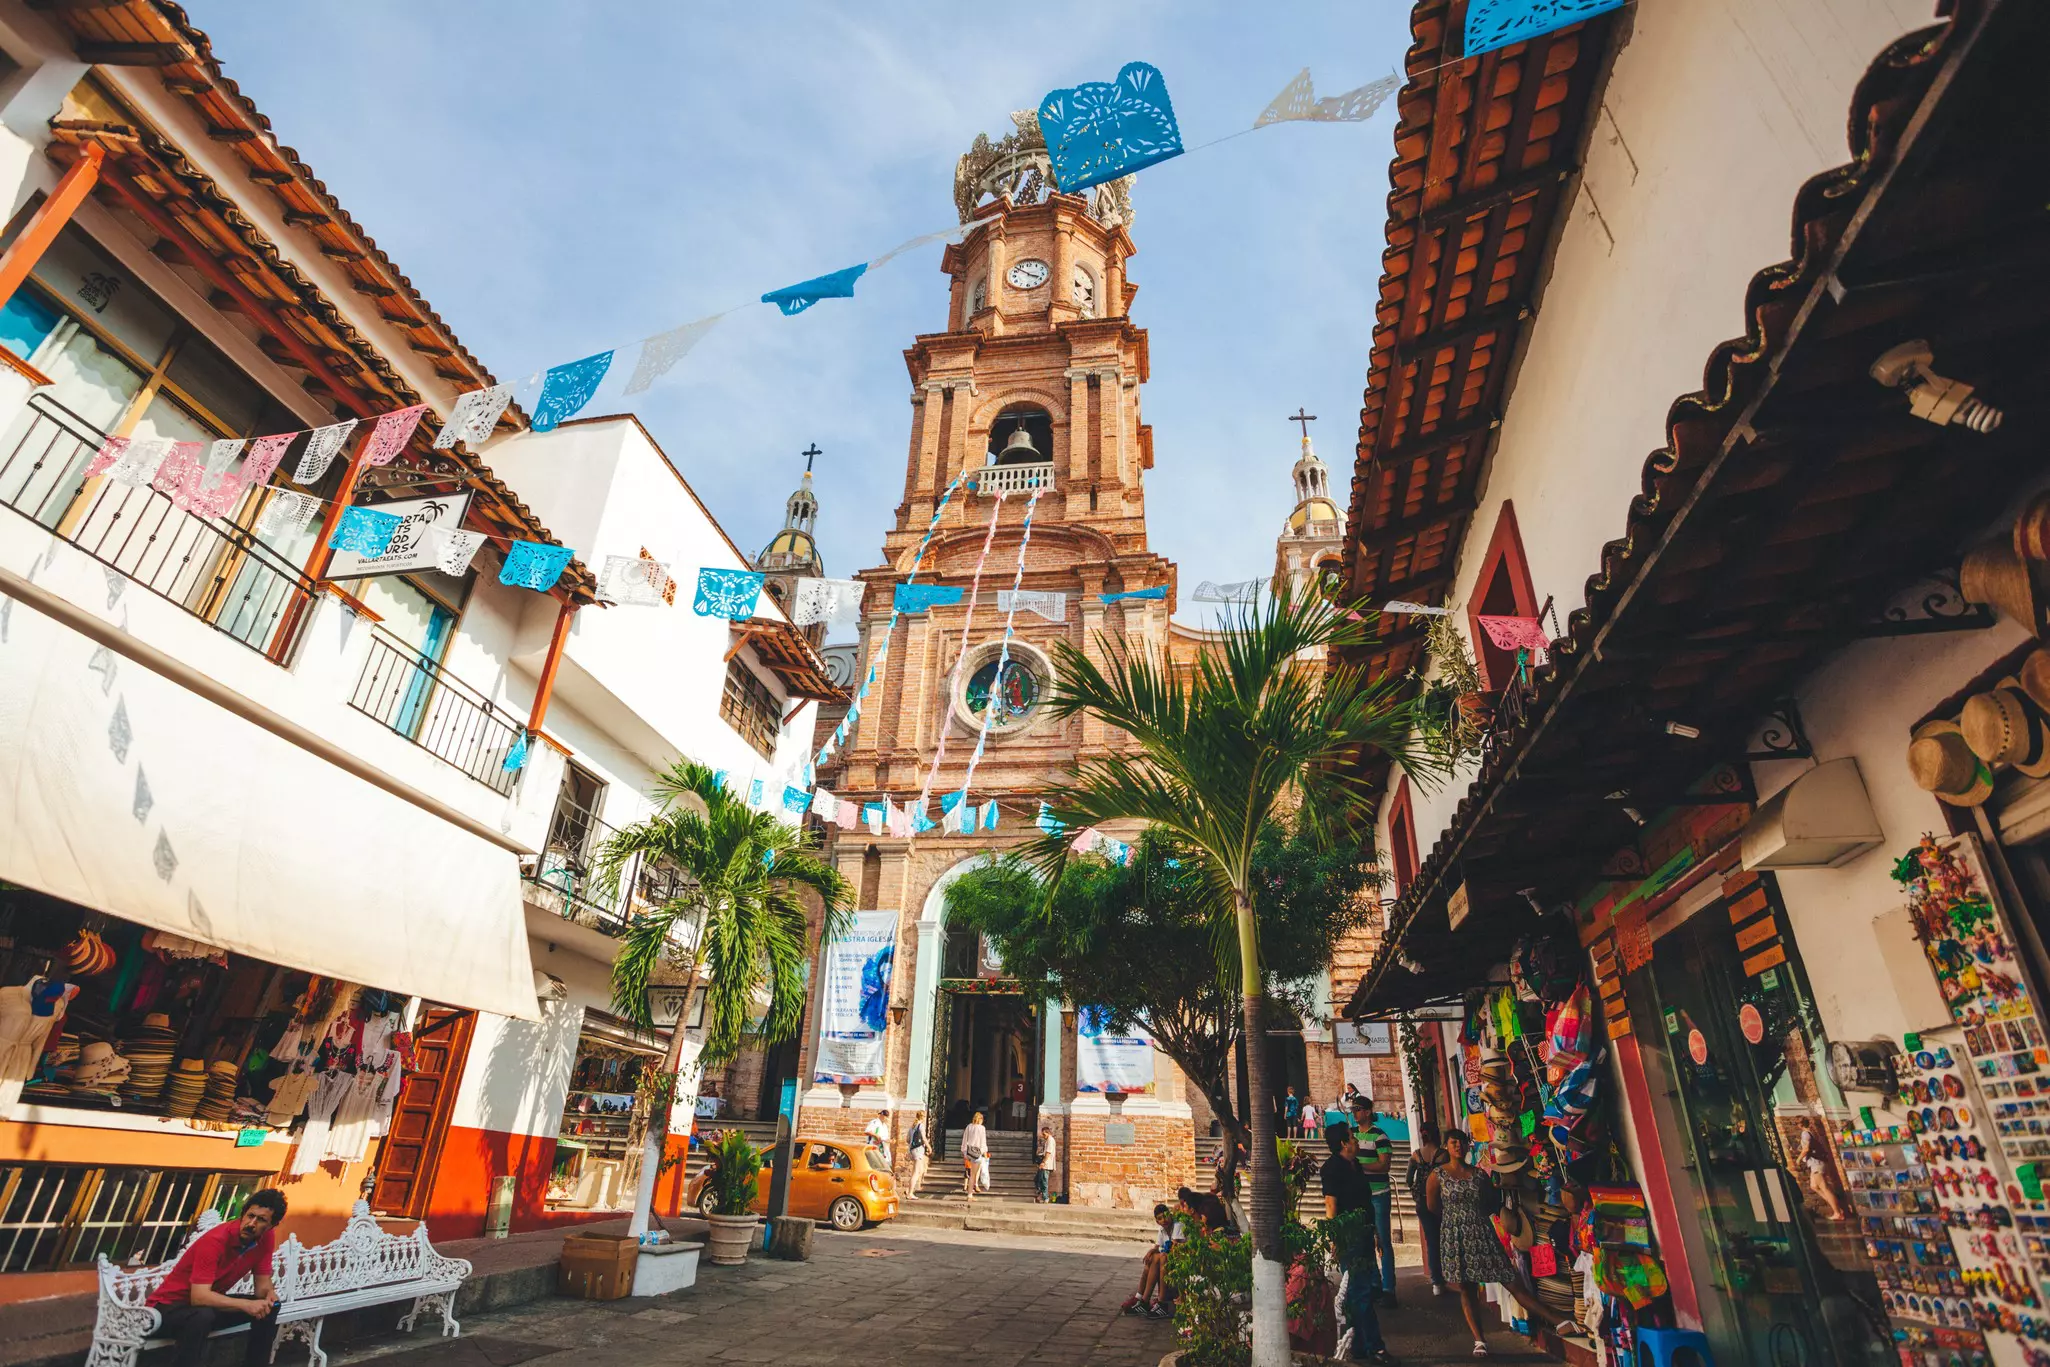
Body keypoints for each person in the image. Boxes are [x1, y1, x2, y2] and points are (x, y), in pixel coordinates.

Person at [1427, 1129, 1570, 1357]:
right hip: (1454, 1236)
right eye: (1453, 1143)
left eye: (1461, 1142)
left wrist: (1474, 1217)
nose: (1458, 1147)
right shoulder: (1437, 1175)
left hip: (1482, 1233)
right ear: (1446, 1146)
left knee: (1510, 1279)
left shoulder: (1479, 1175)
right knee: (1467, 1288)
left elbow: (1491, 1202)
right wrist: (1454, 1221)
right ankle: (1479, 1340)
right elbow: (1433, 1206)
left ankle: (1558, 1320)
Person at [147, 1189, 286, 1367]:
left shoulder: (265, 1238)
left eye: (261, 1220)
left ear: (271, 1226)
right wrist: (247, 1305)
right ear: (243, 1214)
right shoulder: (215, 1240)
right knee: (202, 1315)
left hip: (204, 1309)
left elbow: (262, 1285)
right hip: (165, 1310)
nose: (251, 1224)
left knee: (270, 1308)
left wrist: (269, 1295)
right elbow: (199, 1297)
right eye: (250, 1215)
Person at [1321, 1124, 1393, 1365]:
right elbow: (1331, 1205)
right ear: (1343, 1143)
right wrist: (1334, 1239)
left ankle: (1359, 1345)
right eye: (1352, 1137)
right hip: (1348, 1236)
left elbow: (1365, 1201)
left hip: (1364, 1232)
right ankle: (1375, 1347)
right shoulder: (1332, 1169)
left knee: (1357, 1293)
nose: (1356, 1140)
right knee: (1361, 1291)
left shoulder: (1356, 1166)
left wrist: (1375, 1232)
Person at [1349, 1096, 1399, 1306]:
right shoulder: (1351, 1135)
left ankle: (1388, 1288)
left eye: (1358, 1109)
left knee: (1383, 1241)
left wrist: (1361, 1168)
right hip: (1359, 1195)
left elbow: (1384, 1165)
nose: (1355, 1113)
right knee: (1365, 1241)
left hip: (1378, 1194)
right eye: (1353, 1109)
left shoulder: (1380, 1136)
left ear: (1368, 1111)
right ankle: (1374, 1284)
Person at [1406, 1122, 1450, 1296]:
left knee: (1431, 1241)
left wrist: (1416, 1192)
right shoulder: (1443, 1155)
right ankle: (1451, 1274)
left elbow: (1408, 1179)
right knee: (1447, 1237)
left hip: (1423, 1203)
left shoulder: (1416, 1155)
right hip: (1442, 1201)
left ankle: (1437, 1282)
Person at [1123, 1202, 1181, 1318]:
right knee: (1152, 1258)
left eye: (1165, 1216)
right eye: (1160, 1219)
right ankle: (1142, 1299)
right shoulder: (1162, 1230)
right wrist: (1151, 1251)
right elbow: (1158, 1246)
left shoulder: (1177, 1225)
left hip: (1178, 1258)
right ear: (1157, 1221)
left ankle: (1160, 1302)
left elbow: (1172, 1246)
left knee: (1161, 1257)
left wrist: (1156, 1251)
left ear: (1169, 1215)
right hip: (1168, 1257)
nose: (1164, 1220)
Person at [961, 1110, 989, 1202]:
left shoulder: (969, 1127)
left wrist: (964, 1152)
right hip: (977, 1153)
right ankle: (970, 1195)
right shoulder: (982, 1128)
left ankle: (970, 1193)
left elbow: (965, 1139)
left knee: (971, 1173)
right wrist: (984, 1152)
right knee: (973, 1174)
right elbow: (983, 1142)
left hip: (969, 1152)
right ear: (980, 1119)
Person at [905, 1109, 930, 1199]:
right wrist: (929, 1147)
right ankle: (910, 1193)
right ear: (923, 1117)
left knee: (918, 1171)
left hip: (912, 1149)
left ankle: (909, 1190)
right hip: (918, 1150)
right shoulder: (921, 1126)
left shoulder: (912, 1126)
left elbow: (907, 1139)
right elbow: (923, 1138)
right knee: (916, 1172)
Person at [1034, 1122, 1057, 1203]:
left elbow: (1048, 1153)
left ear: (1048, 1133)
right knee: (1038, 1179)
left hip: (1046, 1164)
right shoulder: (1048, 1140)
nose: (1043, 1136)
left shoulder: (1050, 1140)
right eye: (1042, 1134)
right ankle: (1041, 1194)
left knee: (1044, 1181)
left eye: (1044, 1134)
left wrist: (1043, 1162)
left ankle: (1045, 1197)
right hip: (1045, 1164)